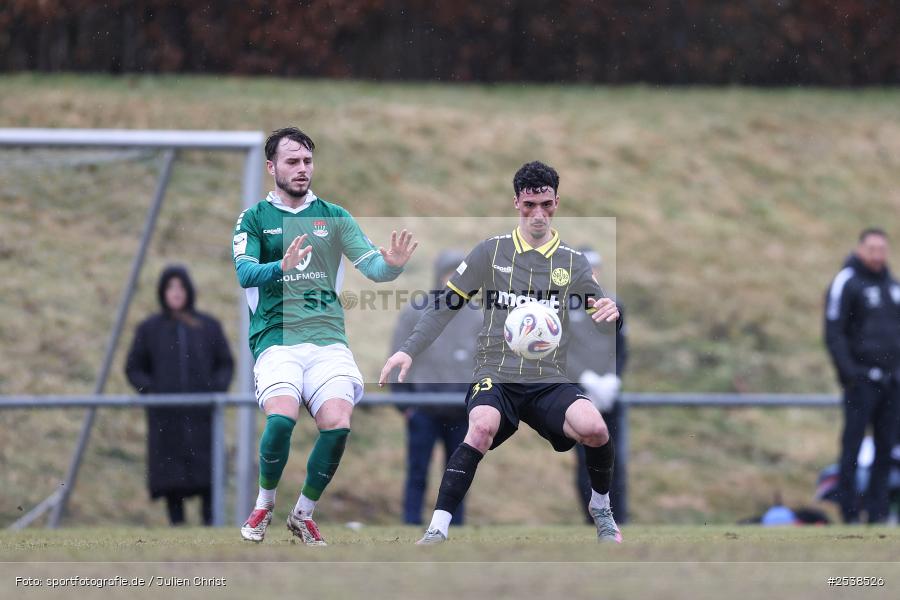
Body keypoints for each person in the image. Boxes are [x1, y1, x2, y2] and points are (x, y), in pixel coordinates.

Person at [381, 161, 623, 544]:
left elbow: (601, 319)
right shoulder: (489, 253)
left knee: (595, 428)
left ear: (557, 203)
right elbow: (446, 304)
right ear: (516, 203)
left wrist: (611, 315)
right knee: (480, 428)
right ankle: (437, 529)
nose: (538, 214)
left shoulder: (573, 262)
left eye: (546, 204)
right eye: (530, 205)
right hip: (497, 373)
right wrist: (409, 350)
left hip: (548, 378)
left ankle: (602, 508)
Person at [232, 127, 417, 545]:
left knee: (337, 424)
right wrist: (282, 266)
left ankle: (303, 514)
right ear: (271, 167)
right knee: (281, 418)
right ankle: (264, 504)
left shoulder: (334, 217)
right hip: (276, 340)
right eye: (292, 161)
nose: (301, 169)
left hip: (328, 339)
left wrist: (393, 266)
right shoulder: (255, 219)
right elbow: (244, 272)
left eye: (307, 162)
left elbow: (372, 266)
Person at [125, 265, 234, 526]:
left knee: (207, 476)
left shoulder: (208, 327)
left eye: (180, 287)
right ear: (162, 292)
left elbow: (225, 363)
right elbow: (134, 368)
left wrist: (215, 391)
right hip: (167, 421)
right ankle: (177, 529)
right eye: (170, 288)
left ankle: (212, 527)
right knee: (172, 480)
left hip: (202, 419)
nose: (176, 293)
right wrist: (153, 393)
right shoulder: (149, 329)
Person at [390, 250, 481, 526]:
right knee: (417, 470)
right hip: (424, 409)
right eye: (448, 273)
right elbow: (398, 355)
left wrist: (478, 404)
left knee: (459, 472)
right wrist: (405, 405)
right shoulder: (416, 313)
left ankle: (455, 525)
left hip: (461, 411)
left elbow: (487, 362)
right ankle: (411, 522)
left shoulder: (478, 317)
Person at [824, 228, 900, 524]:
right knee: (853, 445)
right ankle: (849, 511)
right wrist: (850, 375)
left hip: (891, 382)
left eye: (882, 249)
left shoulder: (892, 287)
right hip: (861, 382)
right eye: (872, 248)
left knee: (887, 447)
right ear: (860, 249)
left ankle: (878, 511)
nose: (877, 255)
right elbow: (834, 332)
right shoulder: (847, 283)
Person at [566, 248, 629, 524]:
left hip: (609, 394)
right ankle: (591, 519)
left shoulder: (612, 304)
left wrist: (613, 378)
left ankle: (619, 517)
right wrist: (585, 379)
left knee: (616, 456)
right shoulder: (564, 307)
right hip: (582, 393)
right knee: (586, 459)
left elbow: (621, 347)